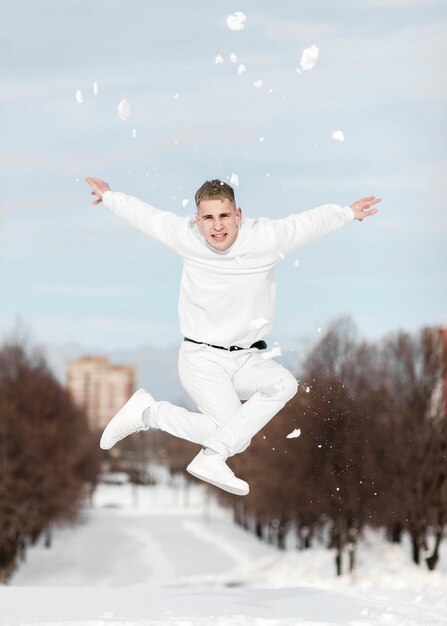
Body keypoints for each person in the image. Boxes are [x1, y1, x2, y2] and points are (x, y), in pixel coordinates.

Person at [86, 176, 380, 496]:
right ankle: (193, 443)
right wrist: (112, 197)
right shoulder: (186, 237)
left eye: (224, 216)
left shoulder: (266, 238)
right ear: (197, 221)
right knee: (233, 434)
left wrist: (347, 213)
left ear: (238, 215)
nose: (217, 227)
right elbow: (149, 218)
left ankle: (153, 416)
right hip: (202, 358)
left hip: (246, 357)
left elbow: (307, 224)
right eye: (208, 218)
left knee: (281, 386)